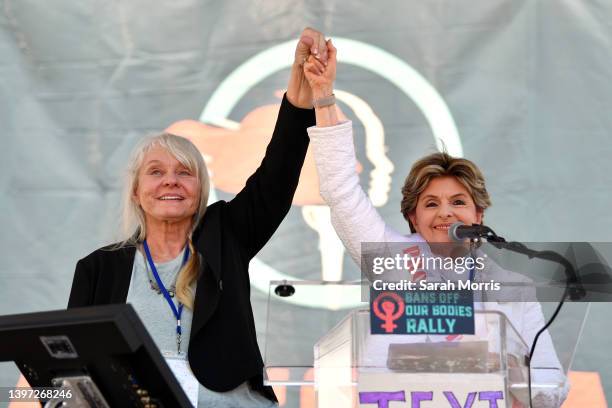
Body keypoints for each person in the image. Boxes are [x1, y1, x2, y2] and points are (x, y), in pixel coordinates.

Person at [11, 28, 328, 408]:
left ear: (201, 188)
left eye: (184, 172)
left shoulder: (225, 234)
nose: (171, 181)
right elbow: (70, 370)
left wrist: (299, 98)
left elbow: (276, 176)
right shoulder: (100, 269)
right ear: (136, 191)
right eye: (156, 172)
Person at [302, 42, 568, 407]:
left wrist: (510, 370)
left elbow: (553, 388)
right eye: (430, 204)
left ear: (479, 216)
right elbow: (341, 193)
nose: (445, 213)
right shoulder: (393, 262)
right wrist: (324, 99)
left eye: (458, 202)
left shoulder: (512, 287)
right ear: (412, 217)